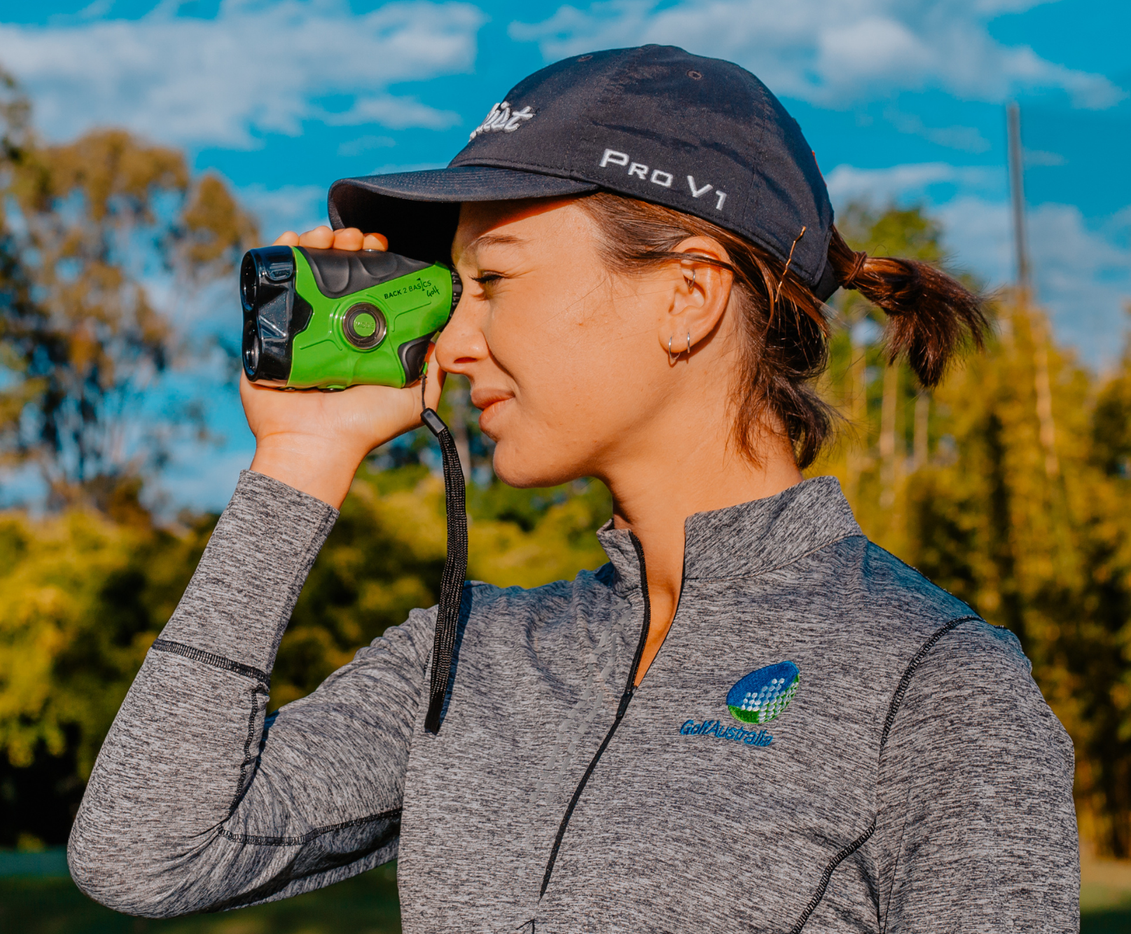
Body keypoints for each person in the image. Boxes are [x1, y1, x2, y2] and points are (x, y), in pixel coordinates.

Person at [67, 45, 1079, 932]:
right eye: (452, 292)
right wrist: (299, 458)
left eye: (494, 282)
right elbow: (144, 851)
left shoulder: (934, 685)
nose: (451, 344)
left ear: (686, 295)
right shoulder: (469, 656)